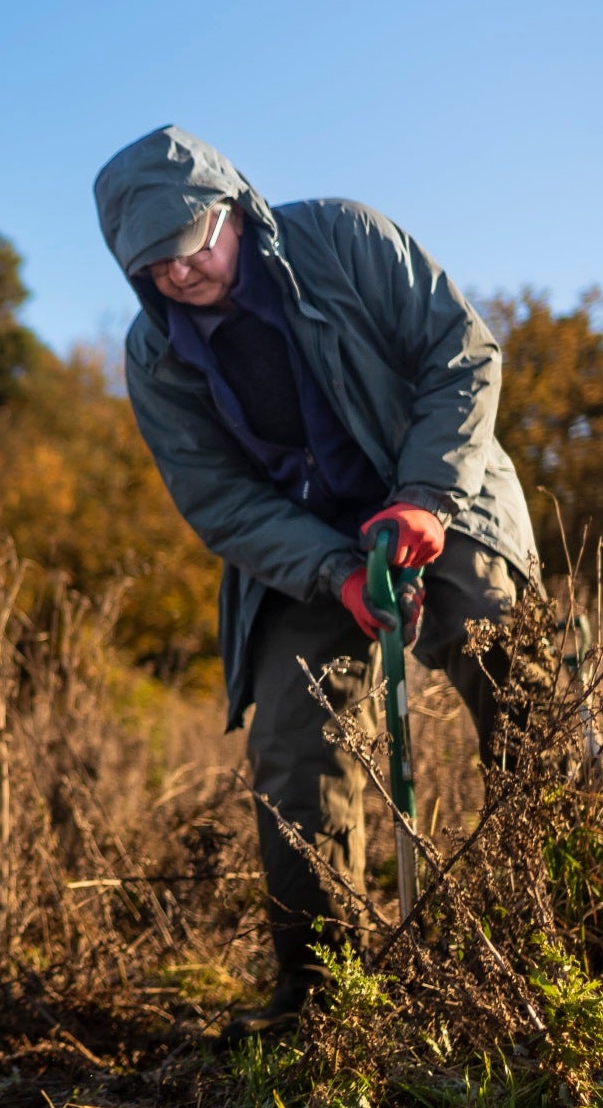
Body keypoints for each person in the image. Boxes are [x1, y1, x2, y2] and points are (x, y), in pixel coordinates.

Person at [92, 126, 540, 1043]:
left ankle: (570, 941)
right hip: (307, 550)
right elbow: (218, 500)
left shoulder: (343, 237)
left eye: (188, 245)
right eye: (152, 264)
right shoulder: (155, 356)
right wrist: (336, 574)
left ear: (233, 211)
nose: (177, 273)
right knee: (296, 745)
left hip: (441, 495)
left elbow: (462, 356)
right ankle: (325, 998)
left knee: (526, 686)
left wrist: (424, 497)